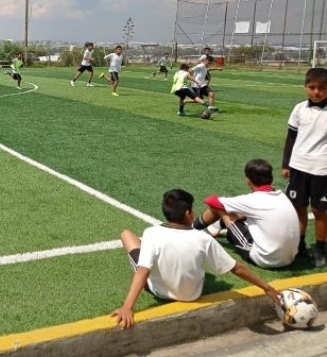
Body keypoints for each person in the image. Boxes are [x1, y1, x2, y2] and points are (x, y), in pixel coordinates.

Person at [111, 189, 281, 329]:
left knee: (127, 235)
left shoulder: (151, 233)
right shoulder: (203, 238)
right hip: (192, 294)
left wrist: (127, 307)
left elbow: (143, 271)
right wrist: (267, 288)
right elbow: (237, 268)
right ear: (188, 214)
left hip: (159, 291)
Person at [192, 159, 299, 268]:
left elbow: (212, 201)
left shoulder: (252, 200)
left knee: (220, 208)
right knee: (241, 212)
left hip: (265, 259)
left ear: (248, 180)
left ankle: (190, 230)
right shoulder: (282, 196)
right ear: (271, 178)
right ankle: (215, 227)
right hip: (290, 258)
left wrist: (226, 206)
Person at [281, 67, 327, 267]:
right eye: (312, 87)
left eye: (322, 88)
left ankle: (320, 248)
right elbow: (291, 138)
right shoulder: (299, 109)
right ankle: (299, 245)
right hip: (298, 167)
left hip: (322, 170)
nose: (316, 92)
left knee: (320, 211)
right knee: (298, 207)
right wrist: (286, 164)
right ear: (305, 87)